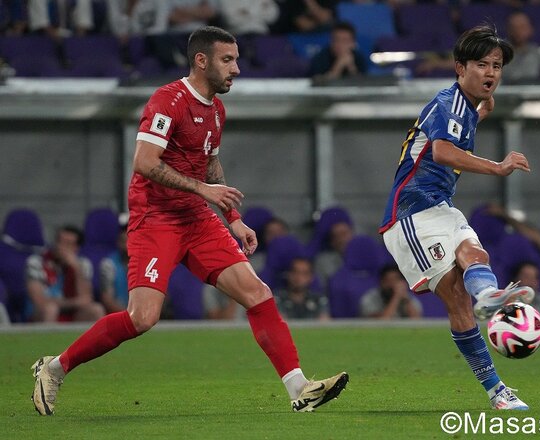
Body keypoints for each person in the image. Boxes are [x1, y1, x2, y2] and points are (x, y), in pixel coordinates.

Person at [30, 26, 348, 417]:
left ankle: (301, 388)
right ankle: (55, 367)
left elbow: (210, 162)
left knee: (258, 293)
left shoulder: (216, 109)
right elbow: (144, 163)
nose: (236, 69)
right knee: (142, 318)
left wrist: (233, 216)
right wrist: (202, 190)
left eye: (236, 59)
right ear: (202, 60)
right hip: (155, 217)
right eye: (227, 60)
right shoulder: (169, 100)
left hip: (195, 217)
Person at [379, 25, 535, 410]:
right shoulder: (448, 102)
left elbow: (456, 133)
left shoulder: (465, 107)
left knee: (475, 255)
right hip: (410, 213)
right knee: (456, 300)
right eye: (481, 64)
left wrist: (480, 114)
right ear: (459, 68)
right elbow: (443, 152)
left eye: (496, 65)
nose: (491, 73)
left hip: (439, 206)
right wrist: (498, 167)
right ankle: (497, 390)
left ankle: (488, 296)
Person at [25, 225, 105, 322]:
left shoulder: (83, 264)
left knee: (96, 309)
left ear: (76, 248)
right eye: (59, 241)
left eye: (67, 244)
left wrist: (76, 268)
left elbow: (86, 299)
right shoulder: (36, 262)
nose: (61, 247)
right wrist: (75, 303)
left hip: (73, 313)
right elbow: (39, 301)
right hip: (42, 313)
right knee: (50, 309)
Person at [98, 224, 129, 314]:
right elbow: (107, 299)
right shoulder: (108, 264)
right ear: (118, 242)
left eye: (131, 241)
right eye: (124, 241)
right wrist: (129, 317)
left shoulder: (147, 263)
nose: (127, 245)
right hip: (119, 315)